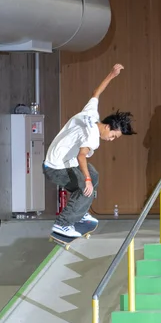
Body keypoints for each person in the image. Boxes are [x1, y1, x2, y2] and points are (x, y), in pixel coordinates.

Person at [43, 64, 134, 238]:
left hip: (60, 161)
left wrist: (111, 74)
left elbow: (95, 93)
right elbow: (82, 155)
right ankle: (62, 224)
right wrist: (86, 180)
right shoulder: (93, 136)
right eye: (113, 136)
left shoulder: (91, 114)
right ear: (107, 127)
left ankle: (80, 212)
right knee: (87, 187)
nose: (111, 139)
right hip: (56, 168)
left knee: (94, 175)